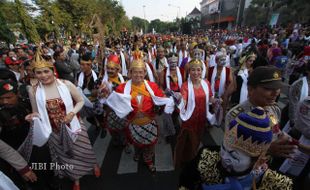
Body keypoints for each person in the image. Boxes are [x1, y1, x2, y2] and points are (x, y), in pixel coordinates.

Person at [25, 50, 100, 190]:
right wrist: (31, 116)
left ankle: (93, 165)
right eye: (39, 73)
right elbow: (36, 112)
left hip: (74, 125)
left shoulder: (66, 84)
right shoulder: (33, 91)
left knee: (83, 151)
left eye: (46, 71)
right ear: (34, 74)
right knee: (66, 156)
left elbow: (80, 101)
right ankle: (76, 178)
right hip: (53, 130)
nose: (43, 76)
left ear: (52, 71)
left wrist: (72, 113)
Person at [178, 107, 293, 190]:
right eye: (223, 148)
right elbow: (185, 183)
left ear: (259, 160)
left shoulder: (279, 184)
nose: (223, 156)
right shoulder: (206, 157)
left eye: (234, 156)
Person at [99, 58, 174, 173]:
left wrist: (171, 100)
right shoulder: (123, 88)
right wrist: (105, 94)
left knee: (149, 145)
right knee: (136, 143)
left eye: (141, 72)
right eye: (135, 72)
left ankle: (148, 160)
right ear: (130, 73)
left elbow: (161, 99)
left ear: (144, 73)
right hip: (133, 123)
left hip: (149, 123)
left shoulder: (152, 86)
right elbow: (114, 100)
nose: (138, 75)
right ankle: (138, 153)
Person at [226, 66, 298, 163]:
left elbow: (276, 131)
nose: (276, 93)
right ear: (251, 89)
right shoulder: (236, 116)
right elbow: (231, 152)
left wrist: (290, 142)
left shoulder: (274, 109)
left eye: (278, 88)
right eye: (269, 88)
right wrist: (267, 150)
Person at [174, 59, 217, 169]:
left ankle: (191, 158)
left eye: (198, 70)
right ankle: (189, 162)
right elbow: (183, 99)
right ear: (189, 71)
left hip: (202, 118)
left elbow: (210, 98)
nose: (196, 72)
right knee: (188, 141)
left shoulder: (206, 83)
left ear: (202, 71)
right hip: (189, 119)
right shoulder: (185, 86)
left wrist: (216, 101)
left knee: (197, 140)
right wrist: (179, 100)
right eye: (193, 70)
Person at [100, 54, 127, 146]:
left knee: (123, 128)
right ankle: (115, 139)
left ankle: (125, 143)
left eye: (112, 69)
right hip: (109, 109)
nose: (110, 71)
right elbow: (94, 94)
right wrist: (100, 91)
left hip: (121, 108)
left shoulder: (124, 79)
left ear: (117, 69)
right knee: (112, 128)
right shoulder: (101, 80)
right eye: (108, 69)